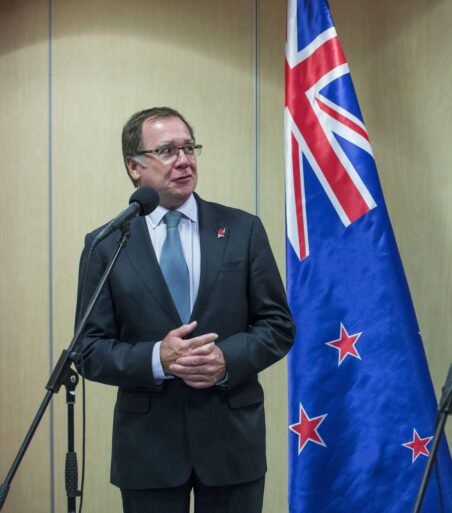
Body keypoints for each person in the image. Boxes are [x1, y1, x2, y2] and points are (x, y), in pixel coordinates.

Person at [75, 106, 294, 513]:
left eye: (189, 148)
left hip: (232, 443)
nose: (183, 160)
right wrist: (156, 358)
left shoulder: (242, 229)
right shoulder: (106, 244)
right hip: (148, 449)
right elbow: (87, 349)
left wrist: (226, 359)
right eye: (166, 150)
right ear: (134, 167)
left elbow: (278, 325)